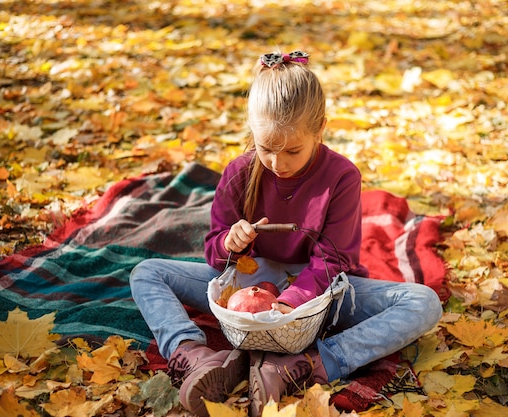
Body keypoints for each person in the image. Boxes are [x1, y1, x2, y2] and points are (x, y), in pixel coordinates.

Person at [130, 50, 443, 417]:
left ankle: (305, 364)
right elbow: (215, 254)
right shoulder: (239, 172)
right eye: (266, 149)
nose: (278, 164)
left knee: (423, 302)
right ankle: (193, 354)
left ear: (320, 128)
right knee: (147, 272)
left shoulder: (342, 177)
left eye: (292, 150)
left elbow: (333, 258)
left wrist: (293, 301)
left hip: (322, 295)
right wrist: (230, 243)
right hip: (249, 282)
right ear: (253, 133)